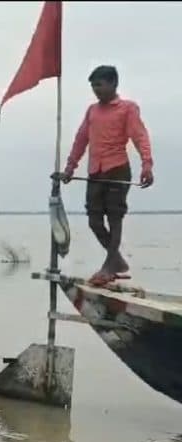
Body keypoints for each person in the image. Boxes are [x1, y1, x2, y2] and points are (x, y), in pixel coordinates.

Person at [58, 65, 154, 286]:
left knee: (114, 217)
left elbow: (140, 136)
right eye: (93, 86)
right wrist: (70, 168)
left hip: (117, 168)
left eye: (99, 85)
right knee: (94, 221)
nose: (96, 90)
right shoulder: (92, 111)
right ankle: (116, 261)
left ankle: (109, 266)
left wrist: (147, 164)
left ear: (113, 83)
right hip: (95, 171)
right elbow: (81, 139)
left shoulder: (127, 108)